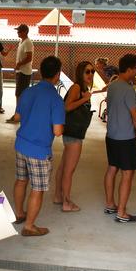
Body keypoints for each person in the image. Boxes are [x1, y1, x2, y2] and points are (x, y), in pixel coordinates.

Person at [13, 56, 65, 237]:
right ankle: (29, 226)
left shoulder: (28, 92)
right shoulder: (56, 99)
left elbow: (17, 116)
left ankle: (19, 213)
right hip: (40, 150)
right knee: (38, 188)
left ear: (41, 72)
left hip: (21, 144)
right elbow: (58, 131)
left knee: (21, 180)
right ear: (57, 74)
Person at [104, 54, 136, 223]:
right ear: (129, 69)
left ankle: (110, 204)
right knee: (127, 173)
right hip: (125, 138)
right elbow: (134, 115)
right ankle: (121, 212)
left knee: (112, 168)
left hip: (111, 135)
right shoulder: (128, 89)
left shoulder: (112, 86)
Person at [53, 61, 95, 212]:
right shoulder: (77, 87)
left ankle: (58, 196)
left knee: (64, 166)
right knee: (69, 171)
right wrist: (85, 99)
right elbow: (67, 106)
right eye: (87, 71)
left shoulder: (81, 88)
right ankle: (66, 202)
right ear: (80, 73)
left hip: (72, 133)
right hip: (74, 134)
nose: (90, 74)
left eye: (92, 71)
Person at [6, 24, 33, 123]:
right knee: (19, 94)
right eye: (18, 31)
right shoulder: (21, 42)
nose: (18, 33)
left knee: (20, 94)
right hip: (20, 71)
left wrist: (19, 64)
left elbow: (29, 57)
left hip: (24, 72)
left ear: (25, 32)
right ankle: (19, 114)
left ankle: (19, 115)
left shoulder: (28, 43)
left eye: (19, 31)